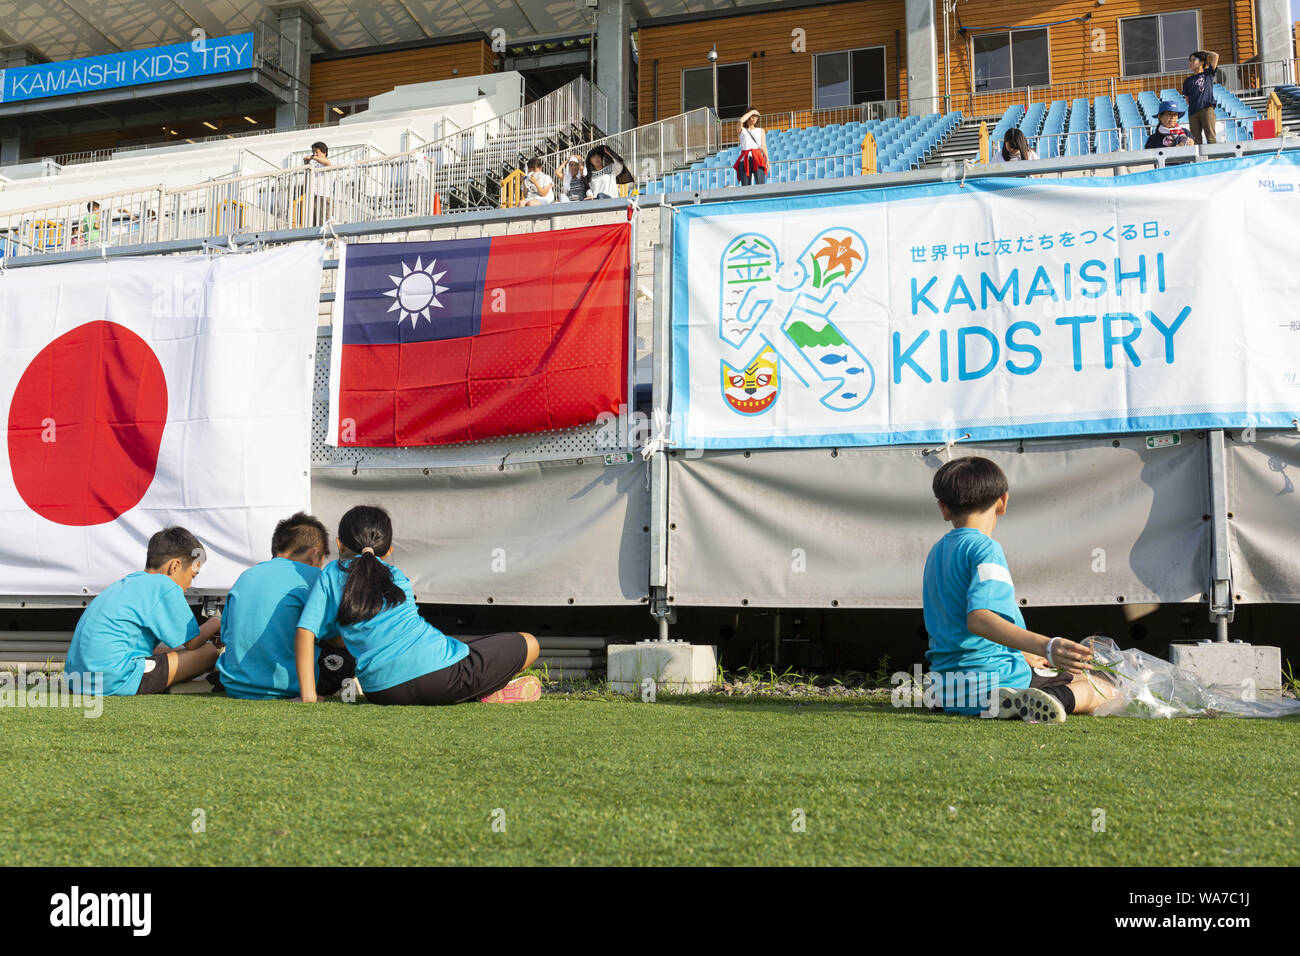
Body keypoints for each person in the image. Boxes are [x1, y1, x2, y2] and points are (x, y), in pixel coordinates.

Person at [922, 457, 1111, 722]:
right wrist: (1047, 646)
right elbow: (979, 619)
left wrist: (1025, 653)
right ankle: (1051, 700)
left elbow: (957, 628)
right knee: (1103, 686)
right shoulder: (986, 549)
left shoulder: (936, 552)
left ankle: (950, 695)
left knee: (1055, 670)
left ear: (943, 508)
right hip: (995, 682)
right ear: (1003, 502)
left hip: (950, 686)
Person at [294, 505, 542, 705]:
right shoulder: (396, 576)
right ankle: (485, 690)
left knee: (464, 651)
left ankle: (480, 690)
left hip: (382, 692)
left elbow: (306, 631)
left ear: (339, 544)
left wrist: (309, 697)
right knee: (529, 642)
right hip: (441, 678)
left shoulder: (330, 574)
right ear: (389, 550)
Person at [63, 527, 222, 696]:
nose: (189, 585)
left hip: (77, 679)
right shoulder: (164, 585)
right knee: (208, 652)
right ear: (175, 566)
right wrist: (216, 622)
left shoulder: (126, 583)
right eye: (192, 575)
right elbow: (194, 642)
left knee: (162, 652)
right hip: (113, 679)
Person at [215, 512, 356, 700]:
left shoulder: (245, 577)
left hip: (235, 685)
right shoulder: (315, 577)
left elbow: (226, 635)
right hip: (289, 686)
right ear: (315, 554)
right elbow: (337, 639)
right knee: (350, 654)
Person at [1183, 50, 1220, 145]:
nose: (1190, 63)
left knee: (1211, 138)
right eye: (1190, 61)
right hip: (1193, 113)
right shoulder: (1187, 80)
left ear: (1202, 62)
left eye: (1193, 60)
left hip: (1207, 109)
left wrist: (1205, 52)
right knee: (1196, 141)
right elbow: (1187, 99)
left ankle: (1214, 159)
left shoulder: (1208, 74)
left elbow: (1215, 56)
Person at [733, 109, 769, 185]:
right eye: (752, 116)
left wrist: (767, 159)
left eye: (756, 116)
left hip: (758, 157)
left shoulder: (761, 130)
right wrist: (753, 111)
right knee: (746, 186)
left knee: (760, 184)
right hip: (745, 158)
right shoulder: (742, 129)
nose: (755, 117)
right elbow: (740, 121)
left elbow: (763, 146)